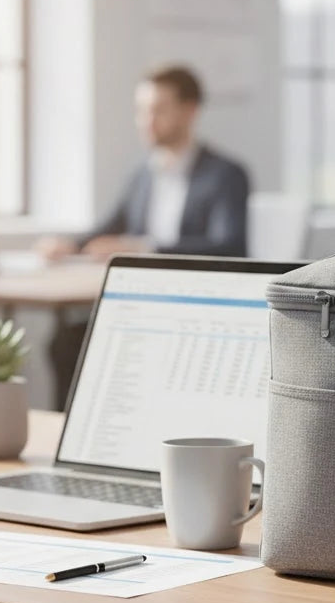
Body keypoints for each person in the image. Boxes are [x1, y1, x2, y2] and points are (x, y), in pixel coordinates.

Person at [39, 64, 250, 403]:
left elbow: (230, 245)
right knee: (65, 342)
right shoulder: (143, 174)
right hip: (138, 302)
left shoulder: (225, 175)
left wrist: (144, 248)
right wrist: (70, 245)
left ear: (190, 111)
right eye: (141, 111)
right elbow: (110, 226)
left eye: (158, 110)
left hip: (192, 307)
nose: (146, 120)